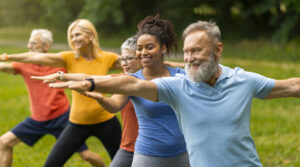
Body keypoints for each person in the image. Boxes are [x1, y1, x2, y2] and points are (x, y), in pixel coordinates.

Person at [45, 20, 300, 167]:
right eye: (187, 52)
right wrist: (89, 83)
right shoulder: (178, 86)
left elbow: (291, 86)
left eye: (197, 51)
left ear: (218, 49)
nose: (189, 58)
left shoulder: (242, 80)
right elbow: (130, 85)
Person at [32, 15, 190, 167]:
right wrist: (65, 77)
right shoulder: (130, 80)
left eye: (149, 47)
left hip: (181, 152)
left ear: (163, 48)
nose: (143, 53)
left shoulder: (180, 77)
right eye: (139, 49)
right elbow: (100, 83)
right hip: (141, 150)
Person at [0, 19, 122, 167]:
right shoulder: (68, 58)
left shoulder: (107, 58)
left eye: (77, 34)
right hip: (75, 122)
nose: (74, 39)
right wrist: (8, 57)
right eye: (71, 36)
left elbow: (131, 64)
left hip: (102, 120)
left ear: (91, 35)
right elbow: (35, 57)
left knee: (119, 161)